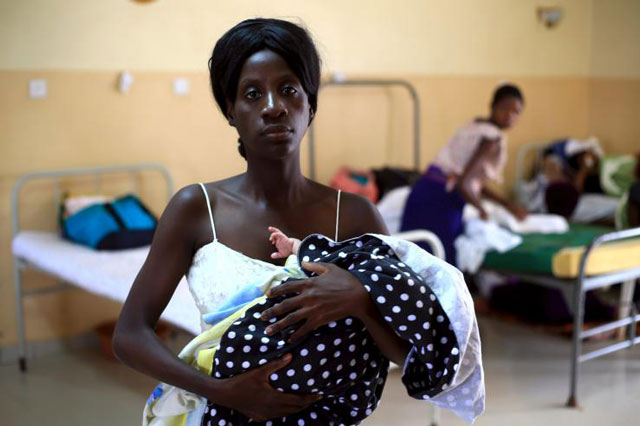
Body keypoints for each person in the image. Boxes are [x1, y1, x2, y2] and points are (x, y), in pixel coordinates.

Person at [113, 18, 483, 426]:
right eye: (252, 93)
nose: (273, 106)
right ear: (231, 111)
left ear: (310, 104)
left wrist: (359, 298)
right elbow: (130, 334)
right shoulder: (198, 209)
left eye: (288, 89)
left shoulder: (356, 215)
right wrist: (225, 392)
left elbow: (404, 352)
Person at [400, 84, 527, 264]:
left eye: (516, 112)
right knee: (440, 263)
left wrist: (507, 205)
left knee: (411, 260)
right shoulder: (491, 140)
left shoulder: (475, 124)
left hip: (425, 189)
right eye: (505, 108)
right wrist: (482, 211)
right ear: (493, 105)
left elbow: (472, 182)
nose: (510, 115)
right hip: (441, 200)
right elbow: (464, 184)